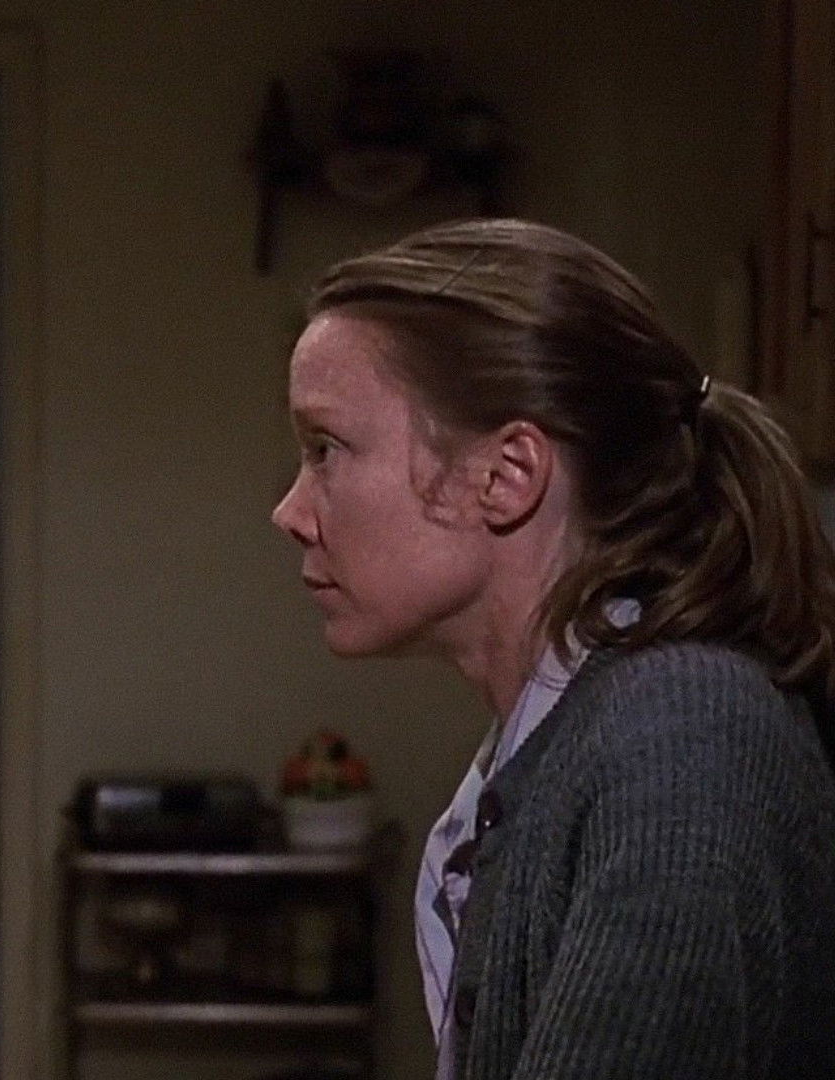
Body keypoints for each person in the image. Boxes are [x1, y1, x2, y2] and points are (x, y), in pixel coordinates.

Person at [272, 218, 835, 1079]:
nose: (291, 511)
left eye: (326, 449)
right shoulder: (567, 739)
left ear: (506, 476)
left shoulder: (680, 739)